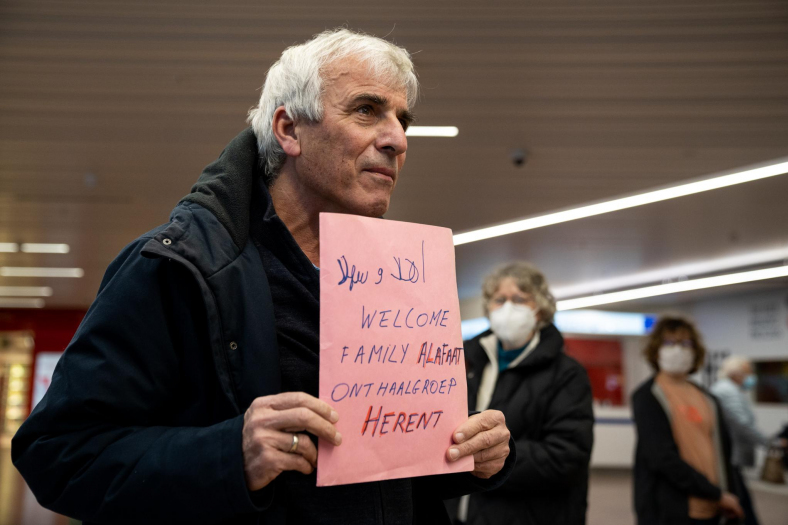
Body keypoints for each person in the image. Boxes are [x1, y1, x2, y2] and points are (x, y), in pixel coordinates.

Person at [11, 29, 515, 525]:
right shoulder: (180, 265)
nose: (397, 139)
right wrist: (230, 456)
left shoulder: (400, 277)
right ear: (289, 130)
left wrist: (471, 456)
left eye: (402, 120)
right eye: (367, 110)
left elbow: (379, 467)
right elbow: (57, 453)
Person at [449, 261, 594, 525]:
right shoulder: (464, 362)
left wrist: (492, 455)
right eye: (499, 299)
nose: (507, 308)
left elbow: (567, 456)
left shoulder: (566, 373)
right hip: (460, 512)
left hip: (529, 514)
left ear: (539, 310)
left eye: (519, 299)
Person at [632, 316, 745, 525]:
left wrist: (726, 495)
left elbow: (723, 452)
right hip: (672, 509)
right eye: (669, 343)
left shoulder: (708, 398)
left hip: (715, 506)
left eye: (685, 343)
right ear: (657, 350)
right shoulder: (647, 396)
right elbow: (661, 458)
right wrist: (714, 493)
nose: (678, 349)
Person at [711, 356, 779, 525]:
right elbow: (742, 425)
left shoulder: (731, 389)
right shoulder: (727, 391)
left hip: (732, 454)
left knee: (741, 501)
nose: (752, 376)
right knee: (740, 503)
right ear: (736, 373)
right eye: (749, 371)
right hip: (731, 454)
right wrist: (770, 443)